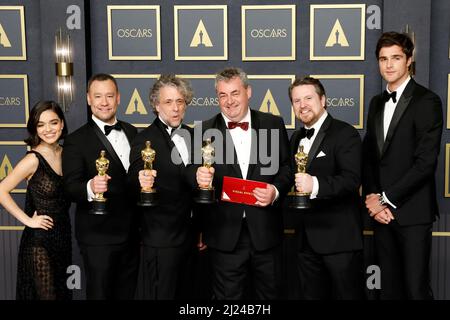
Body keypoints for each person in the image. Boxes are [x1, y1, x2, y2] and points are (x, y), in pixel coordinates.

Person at [194, 67, 291, 299]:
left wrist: (275, 191)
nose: (229, 102)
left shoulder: (273, 123)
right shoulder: (202, 130)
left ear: (248, 91)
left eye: (235, 93)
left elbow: (287, 167)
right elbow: (192, 174)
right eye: (222, 95)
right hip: (224, 234)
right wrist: (197, 176)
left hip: (266, 232)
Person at [362, 32, 443, 299]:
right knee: (389, 291)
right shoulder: (375, 103)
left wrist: (385, 199)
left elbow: (425, 163)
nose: (389, 65)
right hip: (382, 216)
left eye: (396, 58)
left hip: (412, 215)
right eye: (383, 59)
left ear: (409, 60)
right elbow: (371, 159)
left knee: (415, 290)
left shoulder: (427, 101)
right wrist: (373, 201)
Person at [62, 73, 139, 299]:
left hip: (132, 233)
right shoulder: (76, 140)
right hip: (98, 237)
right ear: (88, 99)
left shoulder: (132, 132)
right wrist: (90, 186)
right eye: (98, 96)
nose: (104, 102)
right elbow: (70, 187)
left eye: (109, 96)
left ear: (118, 98)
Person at [288, 77, 364, 299]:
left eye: (308, 98)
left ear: (323, 99)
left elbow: (351, 180)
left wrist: (316, 184)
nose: (303, 105)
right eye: (296, 100)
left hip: (339, 239)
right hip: (305, 240)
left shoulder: (344, 133)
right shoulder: (295, 138)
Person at [128, 74, 201, 299]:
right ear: (156, 105)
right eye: (168, 102)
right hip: (161, 239)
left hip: (192, 237)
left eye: (180, 101)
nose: (176, 108)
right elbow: (133, 175)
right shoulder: (144, 139)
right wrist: (140, 179)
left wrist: (201, 228)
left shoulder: (195, 135)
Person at [0, 101, 71, 300]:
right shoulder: (33, 159)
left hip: (63, 238)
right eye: (41, 125)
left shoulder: (67, 154)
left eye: (53, 123)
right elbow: (1, 190)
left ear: (62, 124)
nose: (48, 129)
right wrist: (28, 221)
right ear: (35, 128)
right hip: (39, 243)